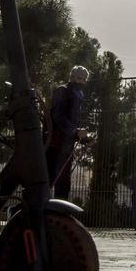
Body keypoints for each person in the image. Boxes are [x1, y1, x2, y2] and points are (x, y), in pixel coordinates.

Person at [46, 66, 89, 200]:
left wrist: (82, 136)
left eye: (83, 79)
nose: (80, 81)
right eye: (78, 78)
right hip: (55, 143)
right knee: (49, 178)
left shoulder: (79, 94)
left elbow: (71, 119)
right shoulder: (62, 90)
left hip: (67, 144)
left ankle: (60, 211)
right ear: (71, 77)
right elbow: (58, 116)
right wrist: (75, 131)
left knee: (64, 180)